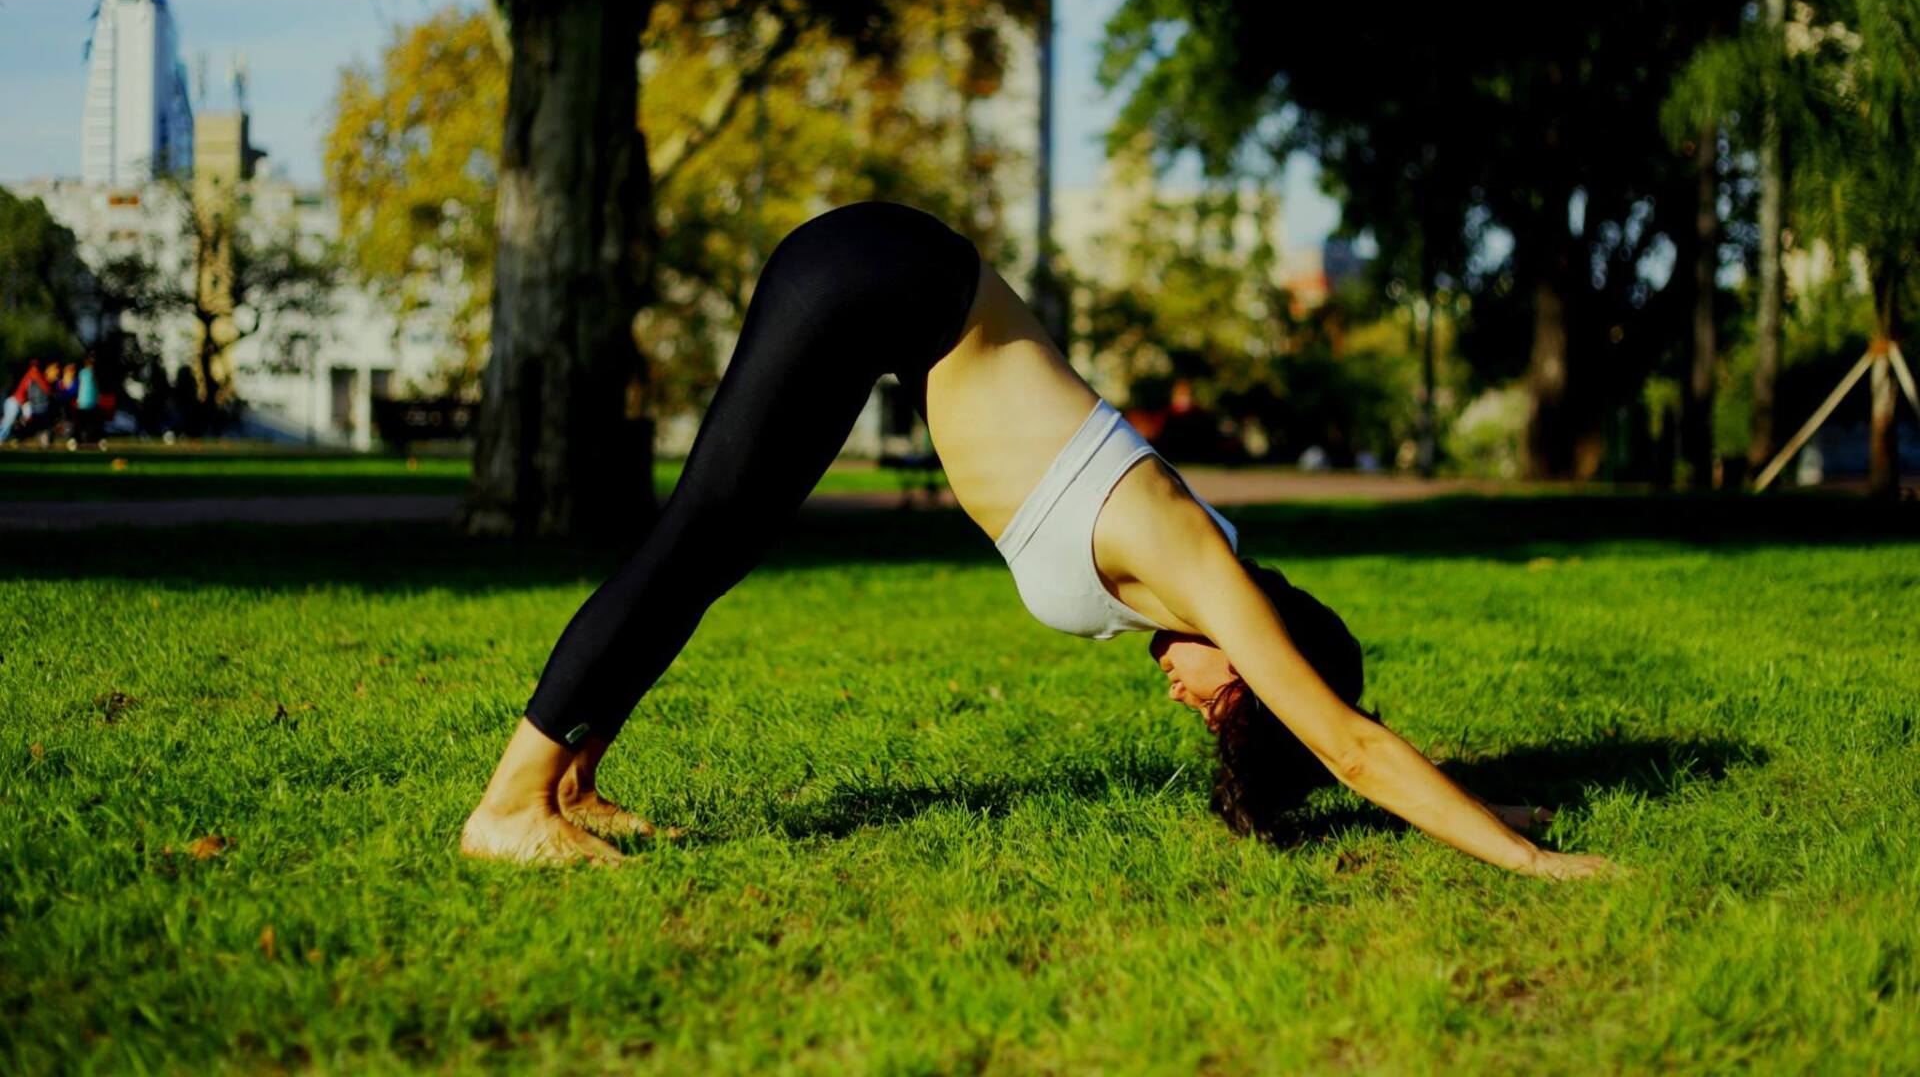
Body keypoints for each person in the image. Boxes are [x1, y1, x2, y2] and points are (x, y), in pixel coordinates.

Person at [464, 203, 1610, 879]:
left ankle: (573, 780)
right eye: (1223, 702)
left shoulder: (1195, 584)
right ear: (1256, 654)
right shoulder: (1199, 566)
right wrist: (1535, 863)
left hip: (892, 291)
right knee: (695, 538)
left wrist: (1486, 805)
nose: (1186, 700)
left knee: (710, 551)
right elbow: (1349, 743)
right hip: (885, 280)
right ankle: (511, 805)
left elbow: (1341, 738)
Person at [1, 359, 51, 443]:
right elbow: (44, 387)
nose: (35, 367)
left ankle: (16, 435)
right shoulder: (33, 372)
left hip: (24, 403)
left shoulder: (33, 374)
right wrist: (49, 391)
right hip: (15, 401)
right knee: (7, 423)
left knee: (27, 418)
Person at [75, 354, 99, 446]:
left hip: (88, 402)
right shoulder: (87, 373)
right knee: (85, 423)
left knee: (87, 423)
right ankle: (81, 440)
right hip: (85, 402)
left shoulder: (84, 373)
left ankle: (87, 440)